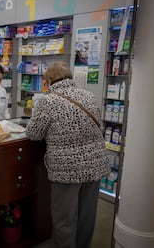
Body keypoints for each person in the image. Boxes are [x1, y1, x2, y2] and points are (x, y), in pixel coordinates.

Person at [25, 62, 109, 248]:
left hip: (67, 169)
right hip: (95, 165)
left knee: (64, 220)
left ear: (48, 81)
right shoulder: (88, 95)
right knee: (86, 217)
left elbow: (34, 134)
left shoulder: (49, 100)